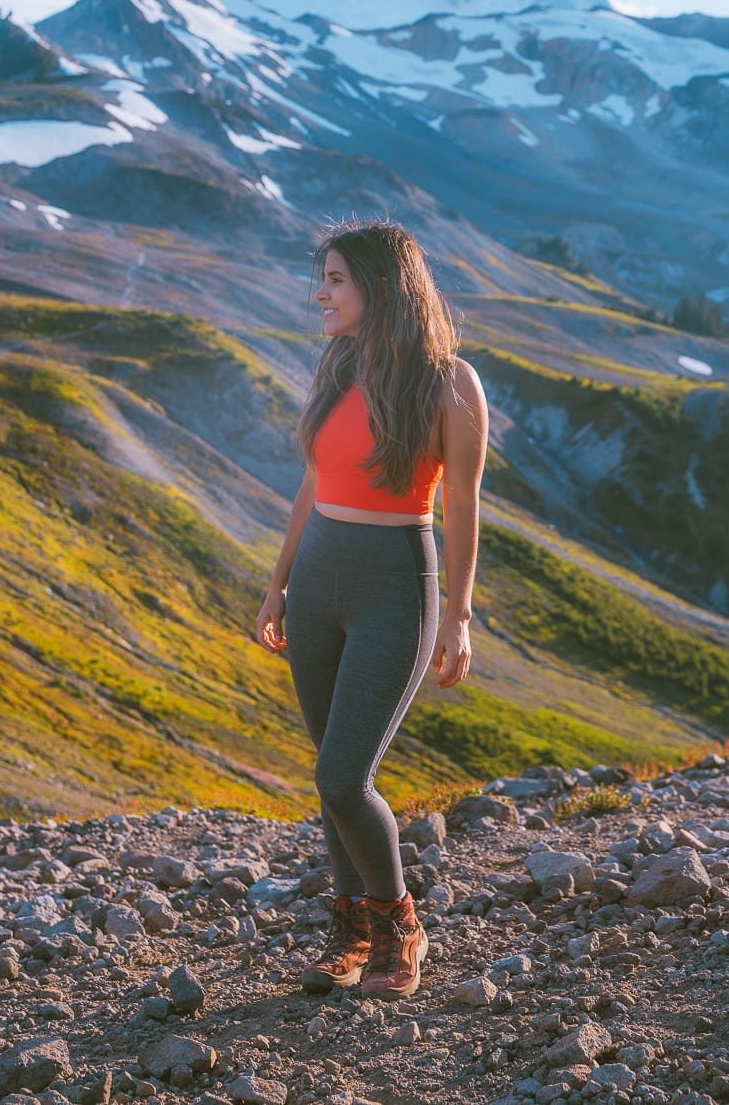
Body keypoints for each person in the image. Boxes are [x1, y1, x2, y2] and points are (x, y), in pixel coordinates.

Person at [256, 219, 488, 1001]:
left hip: (397, 577)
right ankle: (350, 930)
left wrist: (458, 613)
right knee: (330, 780)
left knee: (344, 774)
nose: (319, 293)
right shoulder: (339, 361)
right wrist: (278, 583)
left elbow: (461, 500)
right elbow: (313, 483)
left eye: (335, 280)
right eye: (320, 277)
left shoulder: (451, 381)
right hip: (319, 576)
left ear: (379, 288)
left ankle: (400, 927)